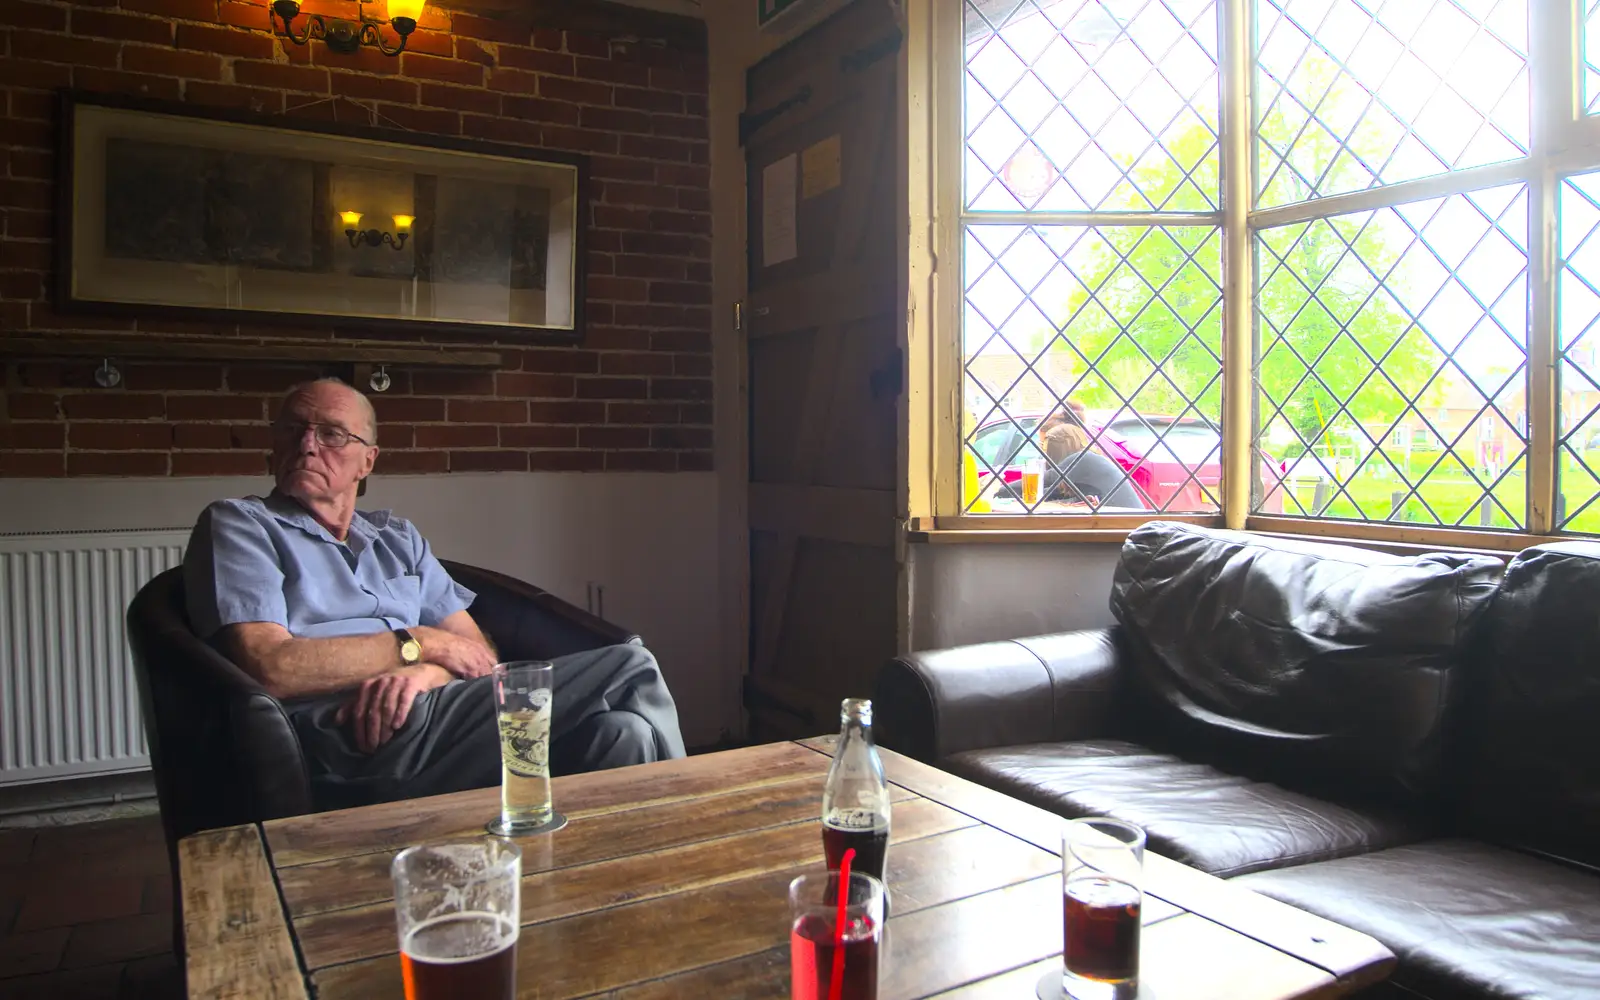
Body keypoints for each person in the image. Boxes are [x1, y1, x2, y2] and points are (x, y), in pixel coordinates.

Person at [182, 377, 686, 808]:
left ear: (367, 461)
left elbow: (480, 655)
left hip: (435, 711)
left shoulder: (396, 539)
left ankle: (615, 889)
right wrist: (419, 642)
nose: (308, 445)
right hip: (349, 734)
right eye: (292, 429)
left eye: (332, 433)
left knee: (624, 733)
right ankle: (699, 827)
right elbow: (271, 666)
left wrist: (426, 671)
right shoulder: (242, 525)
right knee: (628, 666)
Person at [1041, 421, 1148, 510]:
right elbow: (1052, 493)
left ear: (1056, 450)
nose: (1043, 453)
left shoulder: (1082, 459)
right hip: (1128, 525)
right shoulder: (1088, 462)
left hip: (1126, 528)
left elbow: (1039, 484)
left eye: (1044, 447)